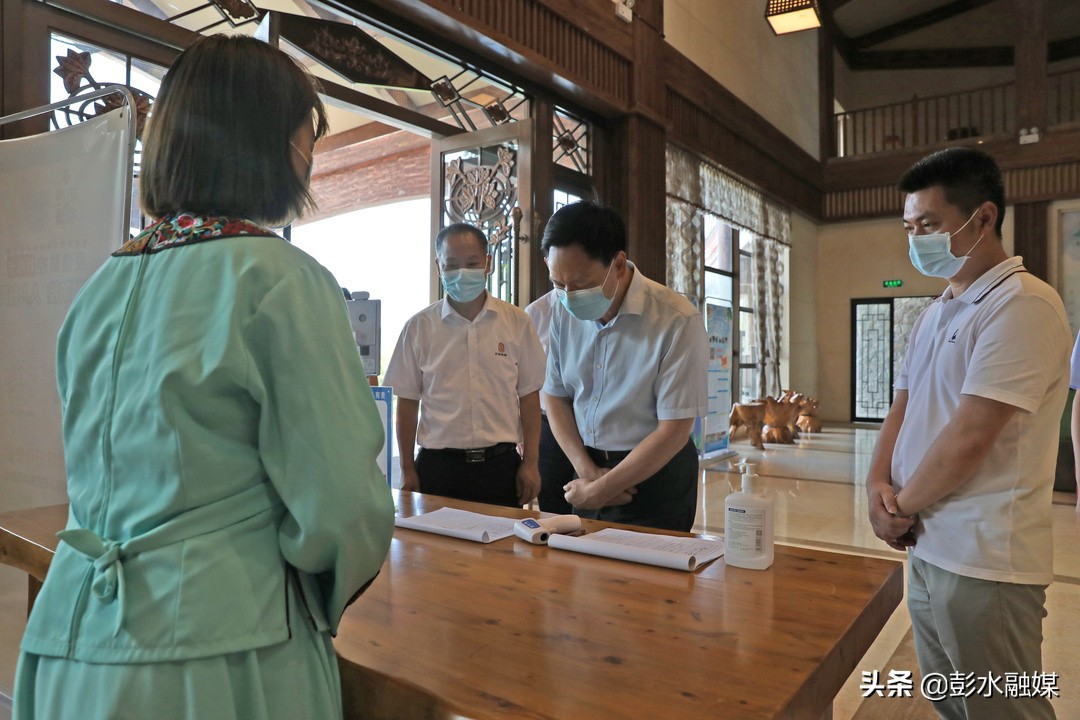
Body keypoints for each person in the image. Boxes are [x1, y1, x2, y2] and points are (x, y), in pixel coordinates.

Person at [13, 35, 396, 720]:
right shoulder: (279, 279)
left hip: (70, 639)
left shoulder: (100, 286)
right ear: (270, 145)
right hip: (216, 650)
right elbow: (342, 507)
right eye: (306, 138)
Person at [866, 146, 1068, 720]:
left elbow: (971, 434)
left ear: (984, 217)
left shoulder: (1023, 304)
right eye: (909, 227)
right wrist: (876, 484)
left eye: (929, 224)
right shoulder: (936, 311)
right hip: (928, 542)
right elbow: (901, 406)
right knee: (951, 702)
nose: (916, 239)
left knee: (1005, 710)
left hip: (985, 555)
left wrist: (898, 506)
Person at [542, 201, 708, 531]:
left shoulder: (676, 320)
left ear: (618, 264)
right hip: (586, 466)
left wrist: (604, 489)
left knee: (649, 580)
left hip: (654, 479)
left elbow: (674, 429)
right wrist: (589, 475)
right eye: (558, 285)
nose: (568, 296)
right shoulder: (560, 311)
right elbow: (555, 396)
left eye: (580, 284)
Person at [383, 223, 545, 508]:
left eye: (471, 264)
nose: (461, 273)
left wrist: (530, 463)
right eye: (451, 265)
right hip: (438, 468)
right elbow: (407, 403)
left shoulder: (517, 322)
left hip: (501, 467)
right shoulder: (419, 327)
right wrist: (408, 469)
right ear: (438, 266)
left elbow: (529, 397)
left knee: (502, 550)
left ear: (488, 263)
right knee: (437, 552)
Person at [525, 287, 576, 514]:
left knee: (595, 500)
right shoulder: (536, 313)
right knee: (553, 501)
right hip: (548, 423)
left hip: (592, 420)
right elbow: (524, 377)